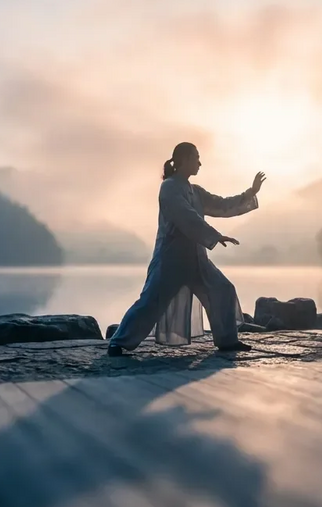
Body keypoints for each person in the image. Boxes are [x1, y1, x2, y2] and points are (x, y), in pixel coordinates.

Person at [108, 142, 266, 356]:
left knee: (223, 289)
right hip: (171, 260)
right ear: (183, 160)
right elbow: (185, 217)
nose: (200, 163)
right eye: (196, 157)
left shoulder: (196, 192)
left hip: (197, 259)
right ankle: (119, 341)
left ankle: (227, 340)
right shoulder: (169, 188)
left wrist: (250, 192)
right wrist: (214, 235)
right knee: (150, 302)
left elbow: (222, 205)